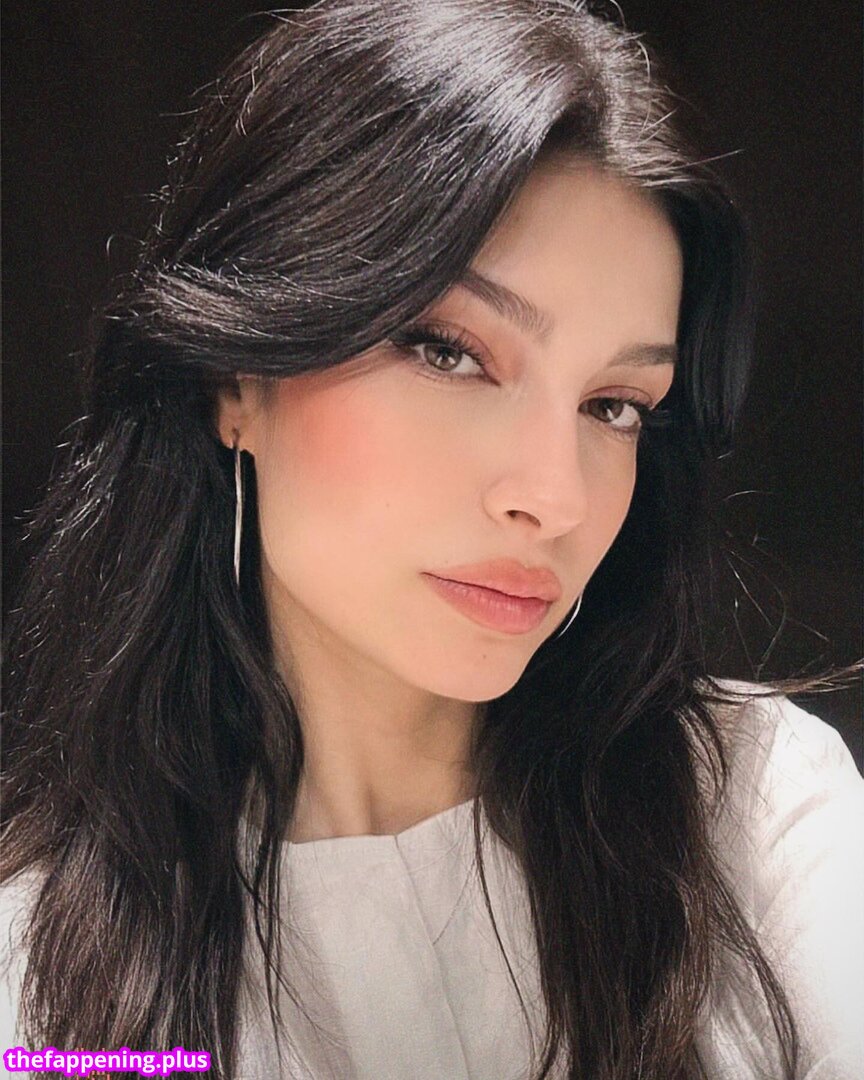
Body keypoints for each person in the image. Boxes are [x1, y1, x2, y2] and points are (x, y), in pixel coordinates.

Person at [1, 1, 862, 1078]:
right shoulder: (36, 981)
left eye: (615, 406)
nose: (554, 497)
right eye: (451, 353)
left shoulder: (761, 813)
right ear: (238, 377)